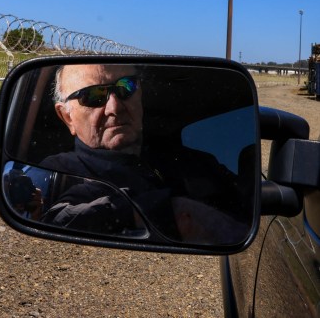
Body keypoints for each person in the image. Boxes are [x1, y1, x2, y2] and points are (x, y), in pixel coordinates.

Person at [39, 63, 250, 244]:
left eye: (125, 88)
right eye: (93, 96)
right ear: (67, 117)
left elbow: (248, 204)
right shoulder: (57, 172)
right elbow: (54, 219)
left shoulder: (196, 161)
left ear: (139, 96)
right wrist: (165, 210)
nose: (114, 107)